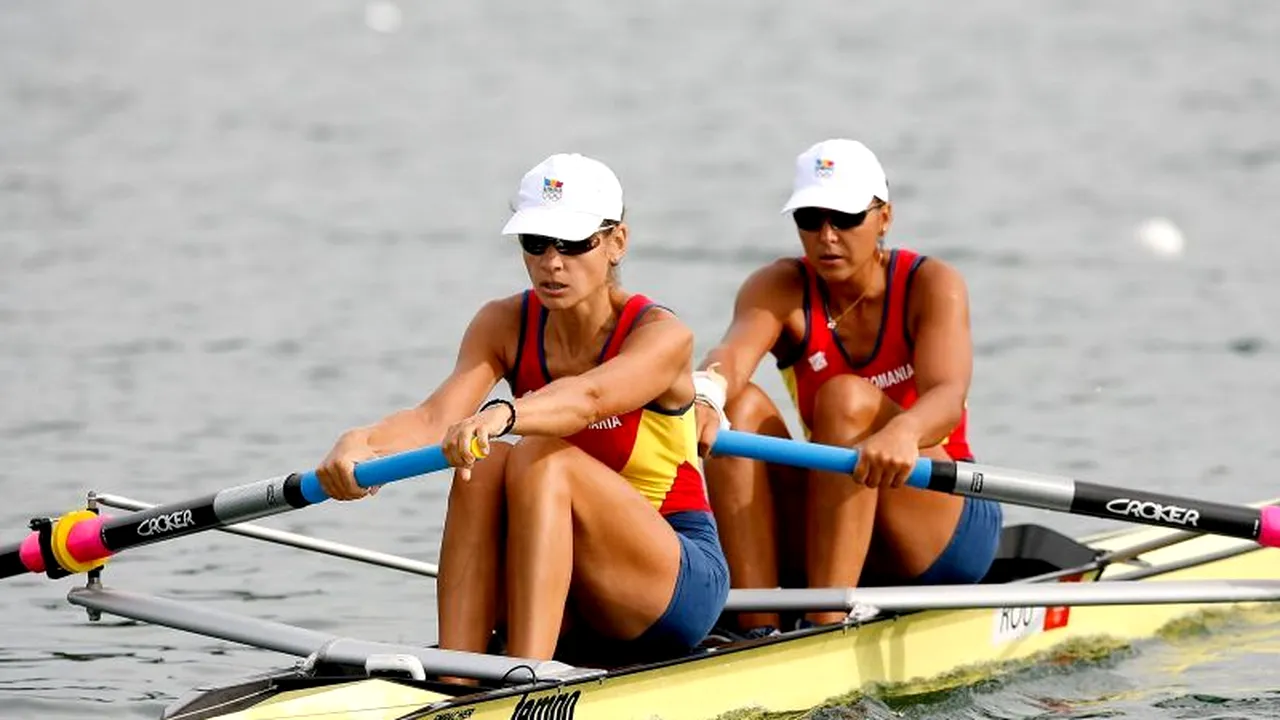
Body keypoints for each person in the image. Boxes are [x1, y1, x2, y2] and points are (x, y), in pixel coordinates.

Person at [316, 153, 729, 663]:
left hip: (671, 586)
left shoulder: (662, 336)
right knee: (484, 465)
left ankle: (526, 681)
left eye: (575, 243)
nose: (552, 262)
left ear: (617, 241)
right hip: (571, 585)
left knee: (538, 456)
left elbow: (589, 398)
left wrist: (503, 414)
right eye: (535, 243)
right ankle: (459, 676)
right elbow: (433, 419)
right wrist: (359, 445)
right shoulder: (503, 322)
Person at [692, 138, 1002, 636]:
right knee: (739, 406)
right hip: (838, 509)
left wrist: (903, 432)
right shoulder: (779, 286)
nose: (827, 236)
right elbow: (731, 357)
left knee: (845, 397)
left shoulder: (931, 284)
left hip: (940, 525)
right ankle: (755, 630)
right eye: (810, 219)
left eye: (845, 218)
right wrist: (705, 396)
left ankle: (824, 623)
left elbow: (946, 396)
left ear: (884, 217)